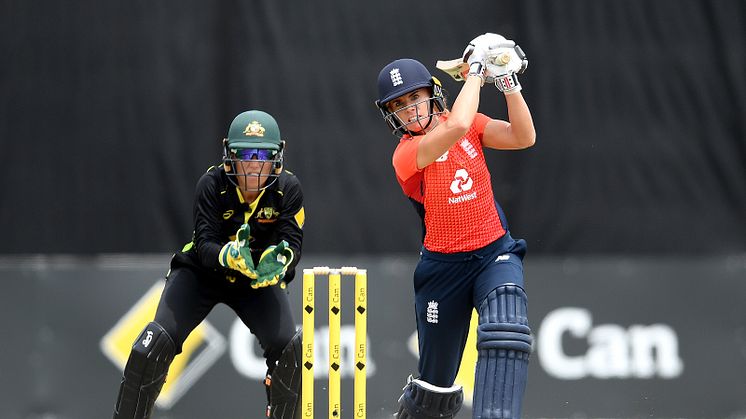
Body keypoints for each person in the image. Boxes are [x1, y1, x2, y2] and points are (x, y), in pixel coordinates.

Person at [375, 33, 536, 419]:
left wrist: (508, 83)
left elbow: (523, 137)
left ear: (433, 93)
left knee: (507, 326)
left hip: (494, 252)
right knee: (434, 392)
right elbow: (457, 127)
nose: (411, 110)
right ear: (391, 116)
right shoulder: (406, 155)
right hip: (443, 269)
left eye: (415, 97)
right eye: (399, 105)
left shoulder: (469, 123)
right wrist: (478, 72)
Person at [112, 110, 305, 419]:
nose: (254, 164)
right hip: (202, 274)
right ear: (230, 156)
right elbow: (204, 245)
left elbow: (292, 243)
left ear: (276, 158)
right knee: (151, 347)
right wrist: (228, 256)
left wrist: (279, 261)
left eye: (262, 155)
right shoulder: (211, 183)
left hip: (254, 279)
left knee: (289, 350)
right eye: (245, 154)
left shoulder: (288, 189)